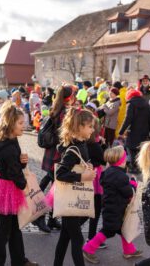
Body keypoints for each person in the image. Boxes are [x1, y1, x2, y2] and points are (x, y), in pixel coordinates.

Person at [0, 102, 38, 266]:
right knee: (4, 230)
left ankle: (19, 259)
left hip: (6, 186)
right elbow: (13, 172)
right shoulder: (8, 147)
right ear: (11, 124)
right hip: (7, 188)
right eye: (20, 122)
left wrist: (22, 163)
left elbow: (13, 165)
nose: (24, 125)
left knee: (13, 226)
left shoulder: (10, 141)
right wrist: (23, 184)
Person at [82, 146, 142, 264]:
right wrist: (133, 183)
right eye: (125, 159)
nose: (126, 161)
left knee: (122, 230)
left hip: (111, 207)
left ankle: (129, 250)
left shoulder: (108, 172)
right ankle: (88, 249)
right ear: (120, 161)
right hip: (115, 209)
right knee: (108, 231)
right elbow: (129, 192)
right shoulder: (121, 176)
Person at [54, 108, 96, 266]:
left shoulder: (81, 144)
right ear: (80, 127)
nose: (93, 130)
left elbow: (79, 163)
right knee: (77, 238)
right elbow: (60, 173)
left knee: (65, 236)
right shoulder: (74, 148)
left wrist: (87, 165)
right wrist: (82, 176)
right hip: (71, 198)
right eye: (90, 126)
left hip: (73, 197)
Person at [35, 85, 75, 233]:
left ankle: (52, 219)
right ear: (69, 97)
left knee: (54, 185)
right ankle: (40, 216)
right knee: (56, 188)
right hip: (58, 154)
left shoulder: (55, 108)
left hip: (52, 153)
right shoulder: (65, 112)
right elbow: (64, 135)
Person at [118, 89, 150, 174]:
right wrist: (149, 129)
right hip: (144, 130)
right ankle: (139, 166)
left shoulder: (131, 104)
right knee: (140, 148)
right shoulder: (146, 103)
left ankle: (134, 167)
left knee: (130, 148)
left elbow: (128, 119)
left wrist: (121, 131)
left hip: (133, 130)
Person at [85, 119, 106, 248]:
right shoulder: (95, 146)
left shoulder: (84, 143)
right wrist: (102, 146)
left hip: (87, 177)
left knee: (89, 207)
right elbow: (103, 160)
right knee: (96, 209)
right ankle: (91, 237)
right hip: (95, 179)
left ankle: (88, 235)